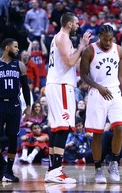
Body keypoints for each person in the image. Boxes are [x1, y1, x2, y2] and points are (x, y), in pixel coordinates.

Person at [80, 24, 122, 184]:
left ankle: (114, 162)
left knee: (119, 128)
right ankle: (97, 168)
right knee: (98, 134)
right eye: (105, 39)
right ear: (99, 36)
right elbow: (83, 76)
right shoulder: (89, 50)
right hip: (97, 93)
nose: (108, 42)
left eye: (110, 39)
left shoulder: (119, 50)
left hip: (114, 92)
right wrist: (98, 86)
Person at [44, 12, 91, 184]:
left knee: (57, 127)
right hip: (61, 86)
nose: (78, 26)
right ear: (69, 24)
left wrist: (83, 50)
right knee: (63, 127)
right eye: (77, 23)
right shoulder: (63, 37)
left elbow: (75, 64)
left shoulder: (61, 38)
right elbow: (69, 62)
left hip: (58, 84)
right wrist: (81, 46)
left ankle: (52, 170)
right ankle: (56, 171)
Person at [0, 38, 31, 182]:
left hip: (14, 104)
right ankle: (0, 162)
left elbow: (25, 87)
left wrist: (28, 106)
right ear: (7, 48)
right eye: (15, 47)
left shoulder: (19, 65)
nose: (17, 49)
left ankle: (8, 170)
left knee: (13, 137)